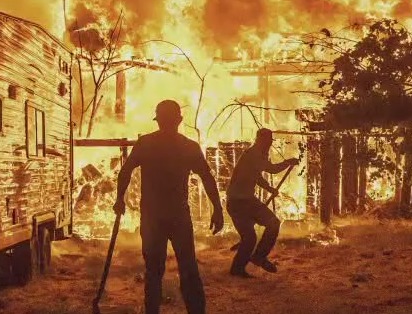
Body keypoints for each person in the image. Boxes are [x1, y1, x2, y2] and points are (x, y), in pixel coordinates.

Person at [114, 99, 224, 314]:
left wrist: (120, 199)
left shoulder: (145, 143)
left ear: (158, 120)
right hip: (178, 216)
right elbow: (207, 178)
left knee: (154, 271)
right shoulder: (188, 146)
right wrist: (217, 209)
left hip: (153, 216)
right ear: (179, 120)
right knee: (188, 269)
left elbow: (125, 171)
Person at [226, 127, 299, 276]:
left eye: (270, 140)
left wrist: (269, 188)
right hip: (237, 203)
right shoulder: (253, 154)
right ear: (260, 140)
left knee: (272, 223)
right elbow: (271, 169)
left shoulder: (256, 154)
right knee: (250, 237)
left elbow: (256, 176)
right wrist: (288, 162)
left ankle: (259, 256)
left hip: (247, 200)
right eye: (268, 140)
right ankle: (237, 269)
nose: (269, 144)